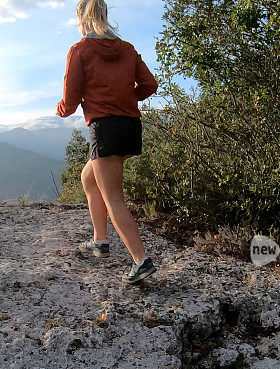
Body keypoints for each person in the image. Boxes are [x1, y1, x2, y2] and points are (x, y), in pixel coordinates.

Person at [56, 0, 159, 284]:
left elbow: (71, 101)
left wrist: (60, 109)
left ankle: (141, 261)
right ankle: (100, 241)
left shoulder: (80, 50)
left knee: (113, 197)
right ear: (105, 15)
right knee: (88, 178)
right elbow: (150, 85)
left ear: (81, 17)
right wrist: (126, 98)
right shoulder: (127, 49)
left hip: (104, 129)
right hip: (130, 126)